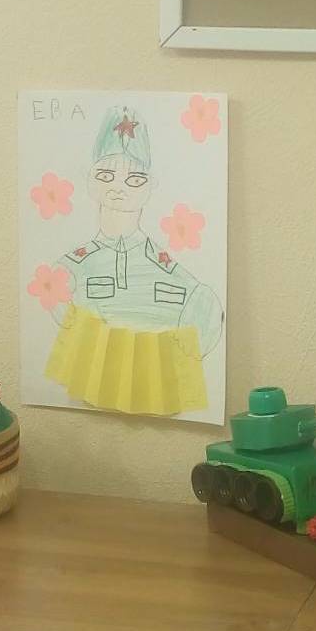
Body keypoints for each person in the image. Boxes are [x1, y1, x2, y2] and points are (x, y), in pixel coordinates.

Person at [45, 105, 222, 416]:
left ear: (151, 185)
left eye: (135, 179)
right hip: (85, 402)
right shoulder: (70, 268)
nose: (118, 188)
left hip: (162, 402)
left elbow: (205, 310)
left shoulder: (167, 268)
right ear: (90, 180)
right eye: (106, 176)